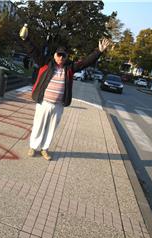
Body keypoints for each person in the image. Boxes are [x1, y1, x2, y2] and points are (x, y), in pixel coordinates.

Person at [19, 24, 110, 160]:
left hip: (58, 105)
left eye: (63, 56)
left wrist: (99, 51)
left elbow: (86, 62)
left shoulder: (70, 68)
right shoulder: (45, 63)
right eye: (58, 55)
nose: (60, 58)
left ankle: (45, 148)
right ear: (54, 55)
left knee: (51, 128)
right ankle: (33, 146)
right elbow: (34, 52)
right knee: (38, 124)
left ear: (66, 57)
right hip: (43, 102)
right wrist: (26, 39)